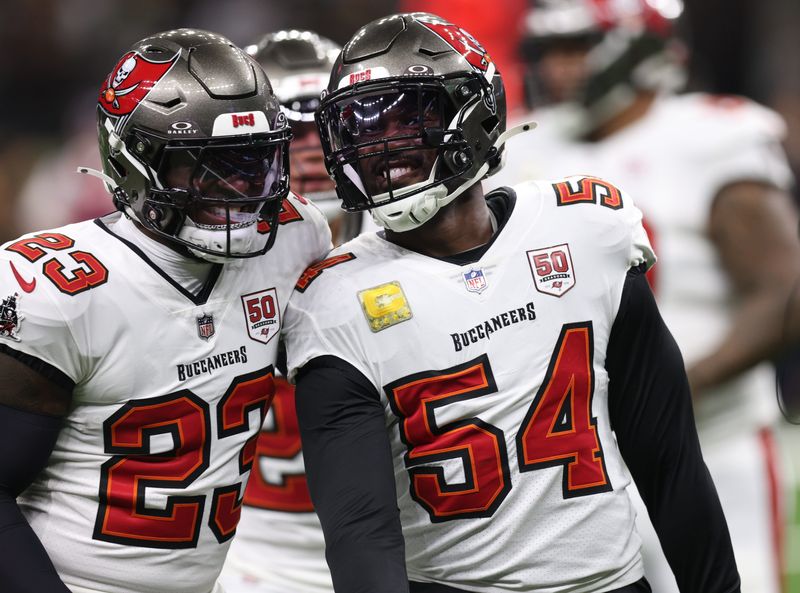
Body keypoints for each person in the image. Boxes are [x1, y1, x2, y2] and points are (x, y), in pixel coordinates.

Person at [284, 11, 739, 593]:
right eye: (361, 125)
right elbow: (361, 534)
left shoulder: (585, 231)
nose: (382, 144)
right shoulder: (334, 298)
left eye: (408, 116)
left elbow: (668, 459)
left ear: (478, 114)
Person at [0, 28, 331, 593]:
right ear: (133, 162)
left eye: (254, 162)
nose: (238, 192)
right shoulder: (55, 287)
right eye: (204, 167)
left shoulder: (295, 237)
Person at [487, 1, 800, 591]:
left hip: (713, 442)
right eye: (547, 51)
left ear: (639, 43)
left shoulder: (712, 134)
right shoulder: (524, 149)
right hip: (572, 459)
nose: (557, 68)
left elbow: (782, 292)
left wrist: (669, 391)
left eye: (576, 47)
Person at [218, 29, 371, 593]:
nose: (308, 151)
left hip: (405, 535)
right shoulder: (201, 259)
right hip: (244, 548)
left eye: (323, 128)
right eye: (287, 132)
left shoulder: (419, 246)